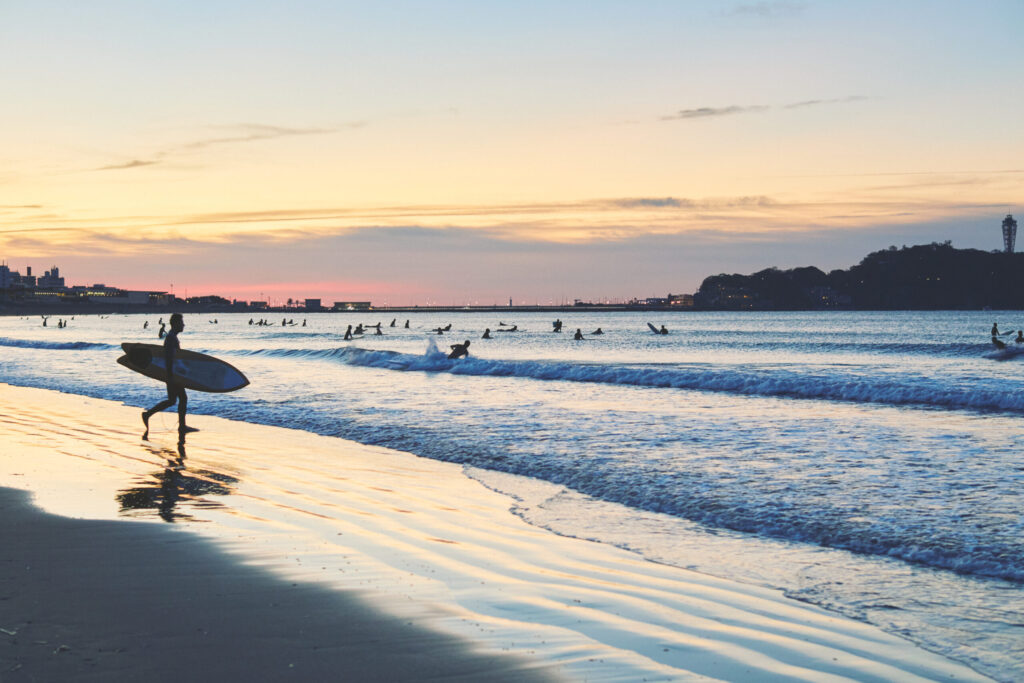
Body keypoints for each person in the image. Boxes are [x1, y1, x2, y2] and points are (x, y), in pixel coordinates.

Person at [142, 313, 196, 439]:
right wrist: (171, 376)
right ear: (176, 323)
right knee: (182, 398)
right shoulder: (171, 337)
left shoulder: (172, 337)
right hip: (172, 374)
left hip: (172, 373)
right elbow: (169, 357)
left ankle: (148, 414)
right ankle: (182, 426)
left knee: (173, 400)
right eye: (182, 322)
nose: (183, 325)